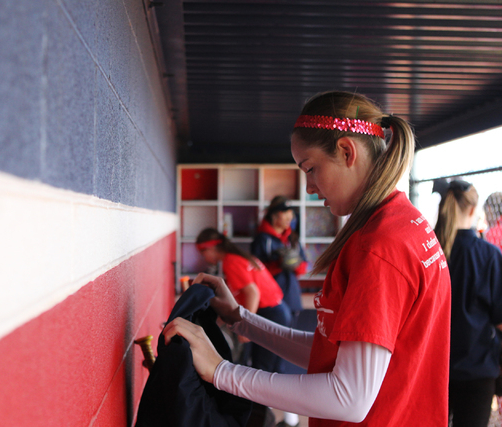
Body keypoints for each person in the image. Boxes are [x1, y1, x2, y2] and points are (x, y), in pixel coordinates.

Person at [164, 91, 451, 426]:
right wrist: (240, 318)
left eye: (311, 168)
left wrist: (220, 371)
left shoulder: (379, 246)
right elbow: (330, 354)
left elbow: (349, 398)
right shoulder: (403, 224)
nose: (309, 186)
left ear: (346, 151)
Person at [195, 228, 300, 426]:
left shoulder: (231, 261)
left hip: (271, 313)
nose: (203, 257)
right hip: (279, 310)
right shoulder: (239, 257)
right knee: (274, 370)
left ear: (211, 249)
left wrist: (246, 326)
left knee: (263, 373)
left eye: (202, 252)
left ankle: (263, 420)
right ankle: (290, 421)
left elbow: (253, 293)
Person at [434, 180, 502, 427]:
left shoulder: (431, 252)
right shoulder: (489, 255)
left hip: (433, 368)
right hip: (478, 371)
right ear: (473, 210)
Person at [251, 196, 307, 325]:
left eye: (291, 213)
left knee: (292, 341)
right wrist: (279, 264)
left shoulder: (293, 239)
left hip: (292, 297)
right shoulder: (262, 240)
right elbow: (255, 273)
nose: (289, 217)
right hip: (271, 302)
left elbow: (304, 267)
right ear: (274, 215)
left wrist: (294, 264)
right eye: (284, 212)